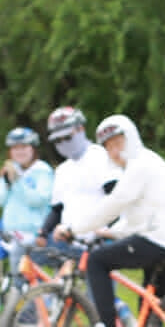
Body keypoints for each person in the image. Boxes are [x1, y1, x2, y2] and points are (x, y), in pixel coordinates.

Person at [58, 115, 165, 327]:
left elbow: (114, 203)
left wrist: (73, 228)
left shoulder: (140, 165)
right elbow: (134, 220)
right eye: (108, 146)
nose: (114, 151)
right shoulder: (148, 165)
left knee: (97, 261)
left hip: (162, 239)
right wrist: (107, 233)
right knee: (150, 304)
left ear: (131, 139)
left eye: (119, 142)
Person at [36, 106, 120, 255]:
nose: (63, 143)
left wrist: (109, 231)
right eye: (57, 140)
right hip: (69, 242)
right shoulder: (62, 170)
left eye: (68, 137)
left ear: (81, 129)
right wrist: (43, 232)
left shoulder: (100, 156)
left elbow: (116, 197)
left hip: (97, 242)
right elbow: (57, 209)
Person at [0, 127, 53, 273]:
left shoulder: (42, 170)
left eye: (24, 147)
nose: (19, 152)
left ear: (33, 148)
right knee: (18, 279)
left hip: (34, 236)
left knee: (29, 280)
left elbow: (38, 199)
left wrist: (18, 181)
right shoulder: (10, 170)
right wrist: (7, 181)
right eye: (15, 148)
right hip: (13, 234)